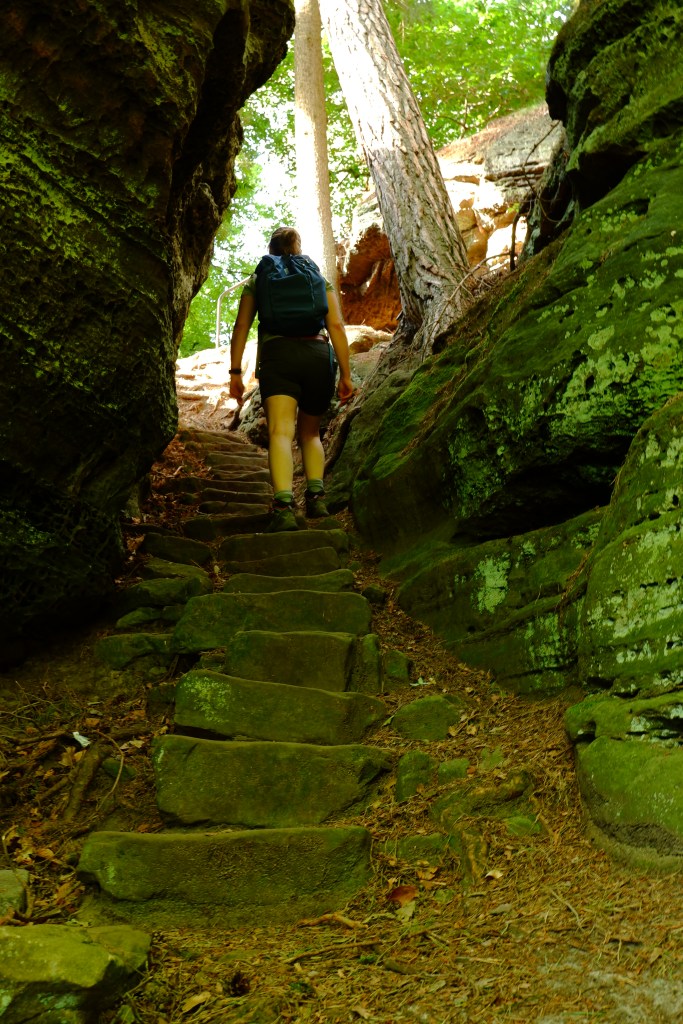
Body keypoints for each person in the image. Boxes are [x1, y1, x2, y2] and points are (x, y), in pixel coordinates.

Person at [228, 227, 354, 532]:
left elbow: (242, 325)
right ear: (298, 248)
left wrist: (235, 373)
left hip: (278, 355)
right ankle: (316, 498)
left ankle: (283, 507)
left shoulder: (259, 279)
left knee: (280, 433)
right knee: (310, 434)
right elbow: (335, 324)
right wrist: (346, 374)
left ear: (271, 249)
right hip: (317, 355)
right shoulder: (317, 278)